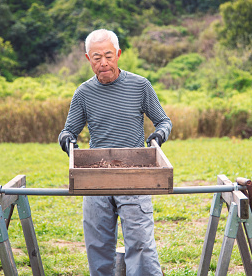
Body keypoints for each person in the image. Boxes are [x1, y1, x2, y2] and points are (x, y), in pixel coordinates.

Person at [58, 29, 172, 276]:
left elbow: (163, 122)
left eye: (108, 55)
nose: (103, 63)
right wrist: (67, 140)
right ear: (88, 59)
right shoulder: (83, 93)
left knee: (141, 245)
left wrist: (158, 136)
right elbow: (68, 131)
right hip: (96, 179)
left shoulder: (140, 86)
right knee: (98, 248)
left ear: (118, 54)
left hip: (135, 176)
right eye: (96, 57)